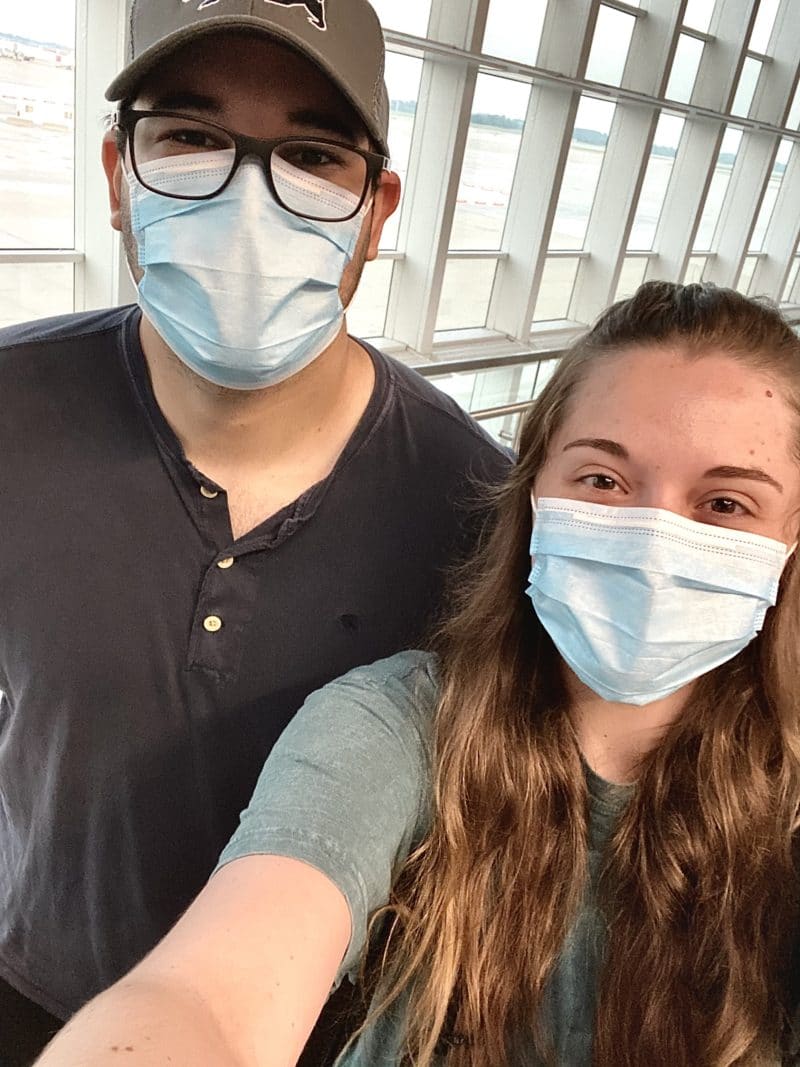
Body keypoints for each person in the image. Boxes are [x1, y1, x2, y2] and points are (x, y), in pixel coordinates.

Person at [34, 280, 800, 1067]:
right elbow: (211, 994)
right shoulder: (396, 725)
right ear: (533, 492)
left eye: (725, 504)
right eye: (603, 480)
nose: (652, 538)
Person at [0, 0, 508, 1063]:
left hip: (328, 1031)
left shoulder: (476, 505)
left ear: (376, 212)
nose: (246, 199)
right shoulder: (13, 407)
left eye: (313, 155)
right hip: (31, 988)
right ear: (114, 175)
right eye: (190, 138)